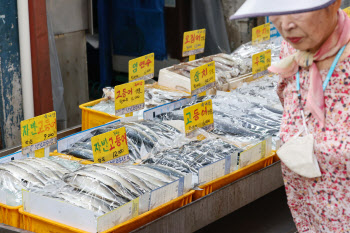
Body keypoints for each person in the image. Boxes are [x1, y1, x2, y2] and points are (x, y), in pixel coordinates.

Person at [231, 0, 350, 232]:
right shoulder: (292, 52)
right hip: (313, 213)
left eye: (298, 10)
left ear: (335, 3)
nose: (285, 25)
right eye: (277, 11)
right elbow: (288, 102)